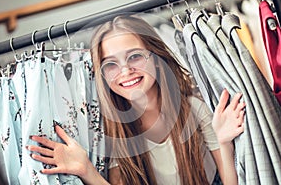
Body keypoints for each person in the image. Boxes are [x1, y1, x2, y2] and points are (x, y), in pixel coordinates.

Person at [26, 15, 245, 185]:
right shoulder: (112, 131)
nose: (125, 71)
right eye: (110, 64)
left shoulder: (195, 110)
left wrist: (223, 140)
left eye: (135, 56)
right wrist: (86, 169)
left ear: (157, 58)